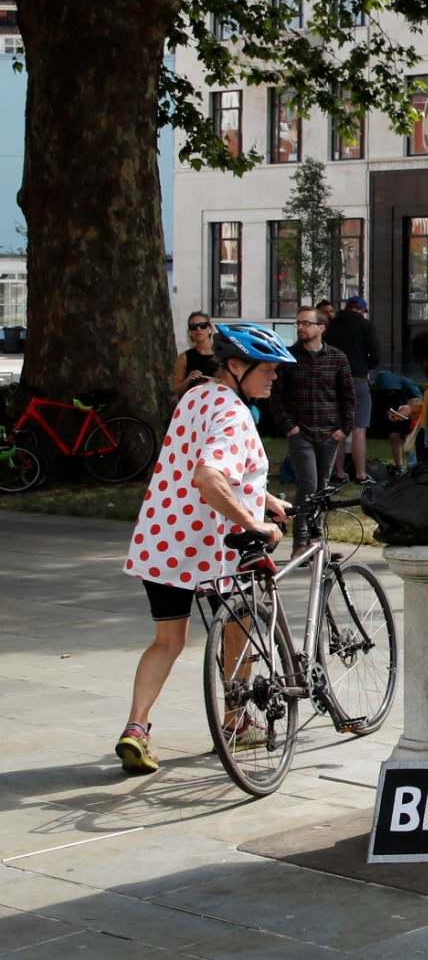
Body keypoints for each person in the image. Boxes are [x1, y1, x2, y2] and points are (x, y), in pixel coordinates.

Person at [115, 322, 294, 775]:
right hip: (212, 549)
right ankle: (235, 721)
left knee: (166, 642)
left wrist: (265, 498)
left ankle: (136, 728)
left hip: (163, 541)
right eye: (267, 369)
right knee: (241, 628)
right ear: (236, 366)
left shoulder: (196, 396)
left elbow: (201, 465)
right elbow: (209, 477)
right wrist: (255, 522)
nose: (273, 377)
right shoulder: (233, 413)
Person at [272, 304, 353, 551]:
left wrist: (343, 429)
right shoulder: (288, 357)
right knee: (307, 485)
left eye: (306, 323)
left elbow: (348, 397)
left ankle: (318, 540)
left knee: (321, 487)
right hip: (301, 433)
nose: (300, 328)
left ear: (321, 328)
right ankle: (301, 541)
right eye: (298, 323)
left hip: (329, 433)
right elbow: (276, 396)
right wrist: (289, 427)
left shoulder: (338, 358)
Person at [325, 294, 381, 483]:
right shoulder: (365, 325)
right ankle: (360, 474)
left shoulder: (331, 324)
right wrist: (365, 366)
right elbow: (376, 355)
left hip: (334, 380)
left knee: (339, 428)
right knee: (359, 429)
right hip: (357, 378)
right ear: (362, 310)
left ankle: (338, 472)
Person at [169, 312, 221, 399]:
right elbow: (175, 389)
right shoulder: (184, 357)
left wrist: (214, 381)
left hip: (216, 403)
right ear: (190, 332)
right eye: (193, 327)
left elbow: (231, 385)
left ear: (210, 329)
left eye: (203, 325)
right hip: (193, 405)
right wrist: (188, 380)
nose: (198, 329)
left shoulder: (222, 354)